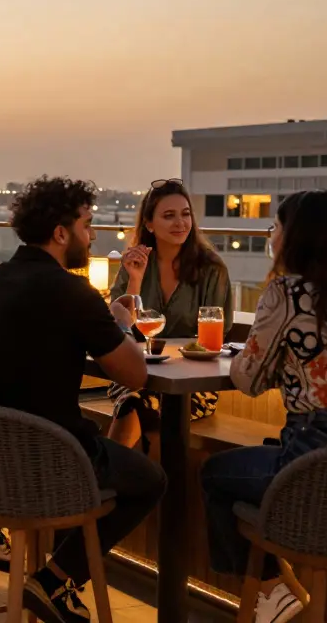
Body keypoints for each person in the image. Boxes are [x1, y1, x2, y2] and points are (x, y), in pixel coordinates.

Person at [0, 176, 165, 623]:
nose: (91, 237)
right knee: (151, 479)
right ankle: (54, 580)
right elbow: (135, 373)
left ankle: (56, 583)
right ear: (60, 233)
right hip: (47, 466)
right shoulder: (74, 293)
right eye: (87, 226)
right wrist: (114, 319)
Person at [200, 190, 327, 623]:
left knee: (214, 473)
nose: (271, 235)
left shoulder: (285, 293)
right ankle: (279, 594)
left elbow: (246, 380)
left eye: (276, 226)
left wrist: (270, 363)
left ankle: (272, 589)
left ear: (296, 237)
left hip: (316, 465)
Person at [106, 179, 233, 451]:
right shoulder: (135, 264)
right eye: (169, 215)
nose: (180, 223)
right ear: (149, 224)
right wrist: (135, 280)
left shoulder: (212, 269)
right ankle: (118, 480)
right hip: (139, 374)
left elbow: (214, 340)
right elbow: (120, 328)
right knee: (137, 399)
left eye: (185, 214)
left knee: (137, 404)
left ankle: (107, 479)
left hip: (192, 385)